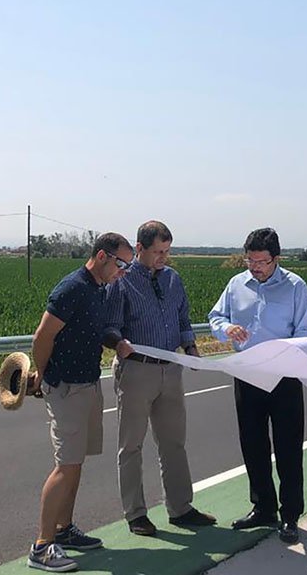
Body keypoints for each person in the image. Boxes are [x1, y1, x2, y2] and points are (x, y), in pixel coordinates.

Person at [27, 233, 134, 573]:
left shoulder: (99, 290)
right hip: (66, 387)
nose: (123, 272)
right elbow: (43, 335)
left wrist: (116, 342)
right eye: (120, 264)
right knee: (65, 466)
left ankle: (64, 530)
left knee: (76, 463)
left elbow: (95, 330)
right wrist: (41, 375)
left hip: (88, 384)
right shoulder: (72, 287)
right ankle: (42, 546)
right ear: (102, 256)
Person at [103, 221, 216, 537]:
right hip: (136, 370)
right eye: (157, 252)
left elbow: (182, 319)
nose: (163, 258)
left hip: (171, 369)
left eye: (167, 251)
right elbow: (109, 326)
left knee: (173, 443)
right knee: (131, 446)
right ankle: (136, 514)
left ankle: (181, 508)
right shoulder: (121, 282)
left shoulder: (172, 279)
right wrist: (117, 343)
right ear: (140, 249)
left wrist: (191, 348)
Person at [208, 227, 307, 544]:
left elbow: (305, 332)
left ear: (276, 259)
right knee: (253, 444)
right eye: (249, 260)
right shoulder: (236, 284)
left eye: (261, 261)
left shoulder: (296, 287)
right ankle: (263, 507)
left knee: (288, 448)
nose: (254, 267)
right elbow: (215, 318)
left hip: (283, 377)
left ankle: (291, 515)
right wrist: (227, 328)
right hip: (247, 374)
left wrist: (282, 353)